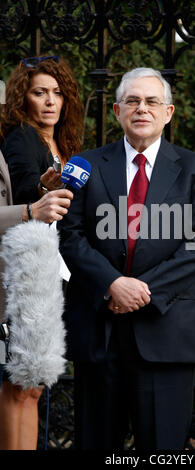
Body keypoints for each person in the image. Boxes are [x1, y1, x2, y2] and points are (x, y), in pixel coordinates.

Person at [58, 67, 195, 450]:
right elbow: (70, 235)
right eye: (132, 101)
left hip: (167, 330)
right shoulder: (86, 165)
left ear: (168, 112)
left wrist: (141, 291)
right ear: (116, 111)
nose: (141, 108)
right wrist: (112, 284)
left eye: (151, 101)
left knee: (162, 449)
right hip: (100, 331)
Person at [0, 55, 83, 450]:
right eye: (39, 93)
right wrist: (41, 189)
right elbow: (17, 195)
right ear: (23, 99)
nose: (50, 101)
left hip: (53, 272)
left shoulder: (62, 143)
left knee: (34, 386)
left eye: (57, 93)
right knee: (20, 382)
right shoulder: (22, 137)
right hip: (25, 273)